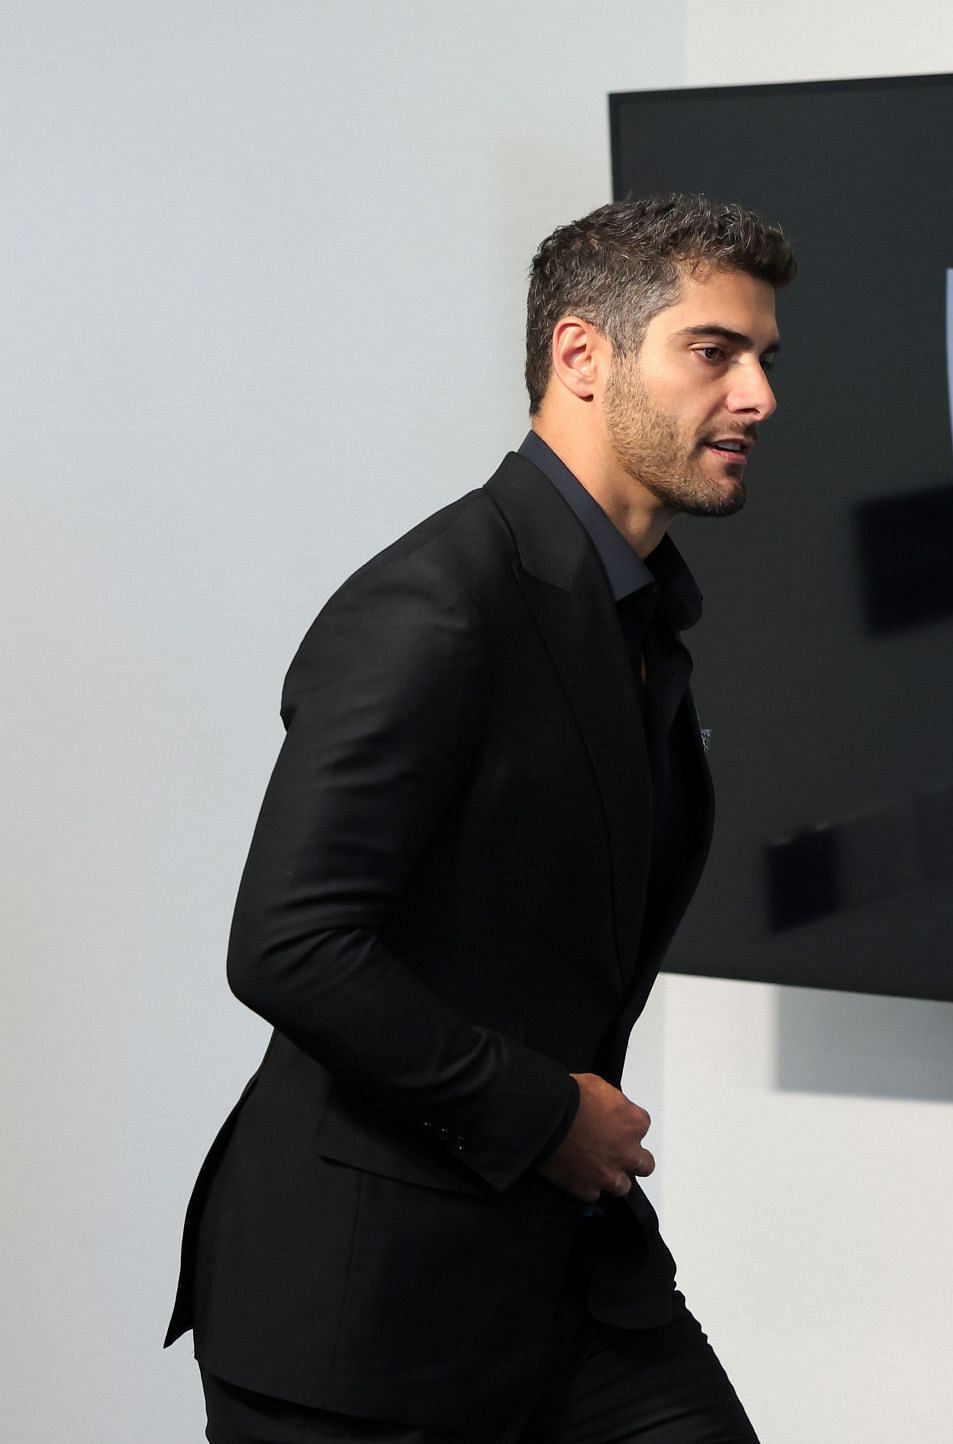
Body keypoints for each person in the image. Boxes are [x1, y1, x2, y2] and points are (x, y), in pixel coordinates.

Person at [164, 193, 793, 1443]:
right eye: (713, 352)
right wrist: (548, 1113)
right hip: (360, 1314)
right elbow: (289, 944)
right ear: (580, 358)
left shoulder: (644, 611)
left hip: (569, 1276)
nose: (759, 395)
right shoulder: (436, 604)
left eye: (765, 358)